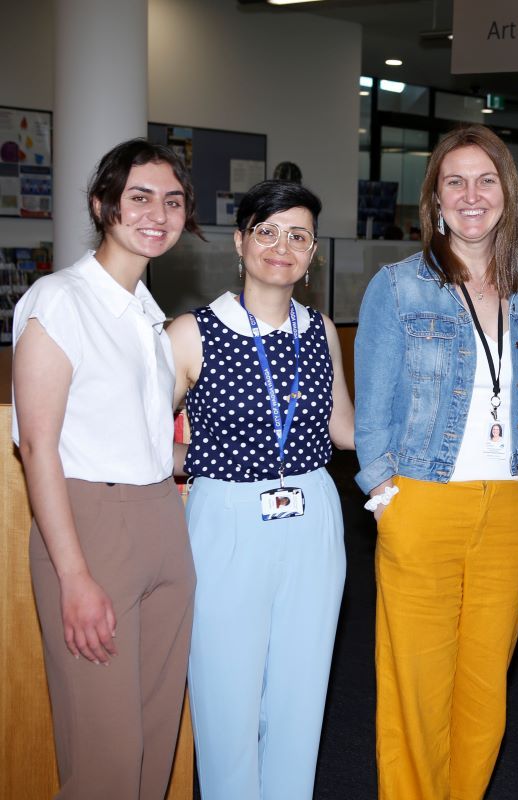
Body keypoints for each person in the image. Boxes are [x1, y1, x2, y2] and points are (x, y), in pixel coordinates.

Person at [355, 123, 518, 800]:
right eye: (455, 181)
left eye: (486, 180)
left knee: (484, 691)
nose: (472, 195)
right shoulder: (398, 287)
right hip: (422, 499)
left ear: (509, 193)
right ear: (435, 198)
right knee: (416, 688)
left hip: (509, 507)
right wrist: (386, 499)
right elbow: (371, 411)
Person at [12, 138, 201, 798]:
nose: (159, 213)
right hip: (91, 529)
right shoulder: (59, 300)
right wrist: (74, 575)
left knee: (152, 748)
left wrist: (234, 451)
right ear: (103, 205)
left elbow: (148, 446)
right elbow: (37, 446)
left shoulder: (150, 319)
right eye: (140, 197)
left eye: (173, 201)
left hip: (162, 523)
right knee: (107, 762)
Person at [166, 179, 355, 798]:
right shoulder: (191, 333)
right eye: (268, 232)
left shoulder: (321, 330)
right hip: (226, 514)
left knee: (302, 694)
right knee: (226, 695)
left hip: (314, 513)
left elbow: (345, 430)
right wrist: (199, 458)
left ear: (313, 252)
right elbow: (141, 442)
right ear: (241, 242)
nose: (283, 246)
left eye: (298, 235)